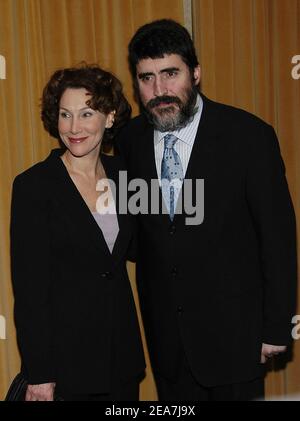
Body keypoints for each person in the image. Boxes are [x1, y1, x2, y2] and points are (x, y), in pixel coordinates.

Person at [117, 19, 297, 401]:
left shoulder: (249, 137)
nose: (159, 90)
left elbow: (277, 240)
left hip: (236, 339)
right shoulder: (130, 140)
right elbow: (143, 234)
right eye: (146, 78)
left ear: (195, 73)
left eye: (170, 73)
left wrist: (276, 326)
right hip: (167, 343)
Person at [10, 64, 145, 401]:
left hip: (121, 359)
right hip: (65, 365)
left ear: (109, 117)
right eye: (65, 115)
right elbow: (30, 290)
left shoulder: (125, 177)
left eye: (86, 113)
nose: (73, 127)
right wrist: (40, 373)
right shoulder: (34, 186)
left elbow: (144, 248)